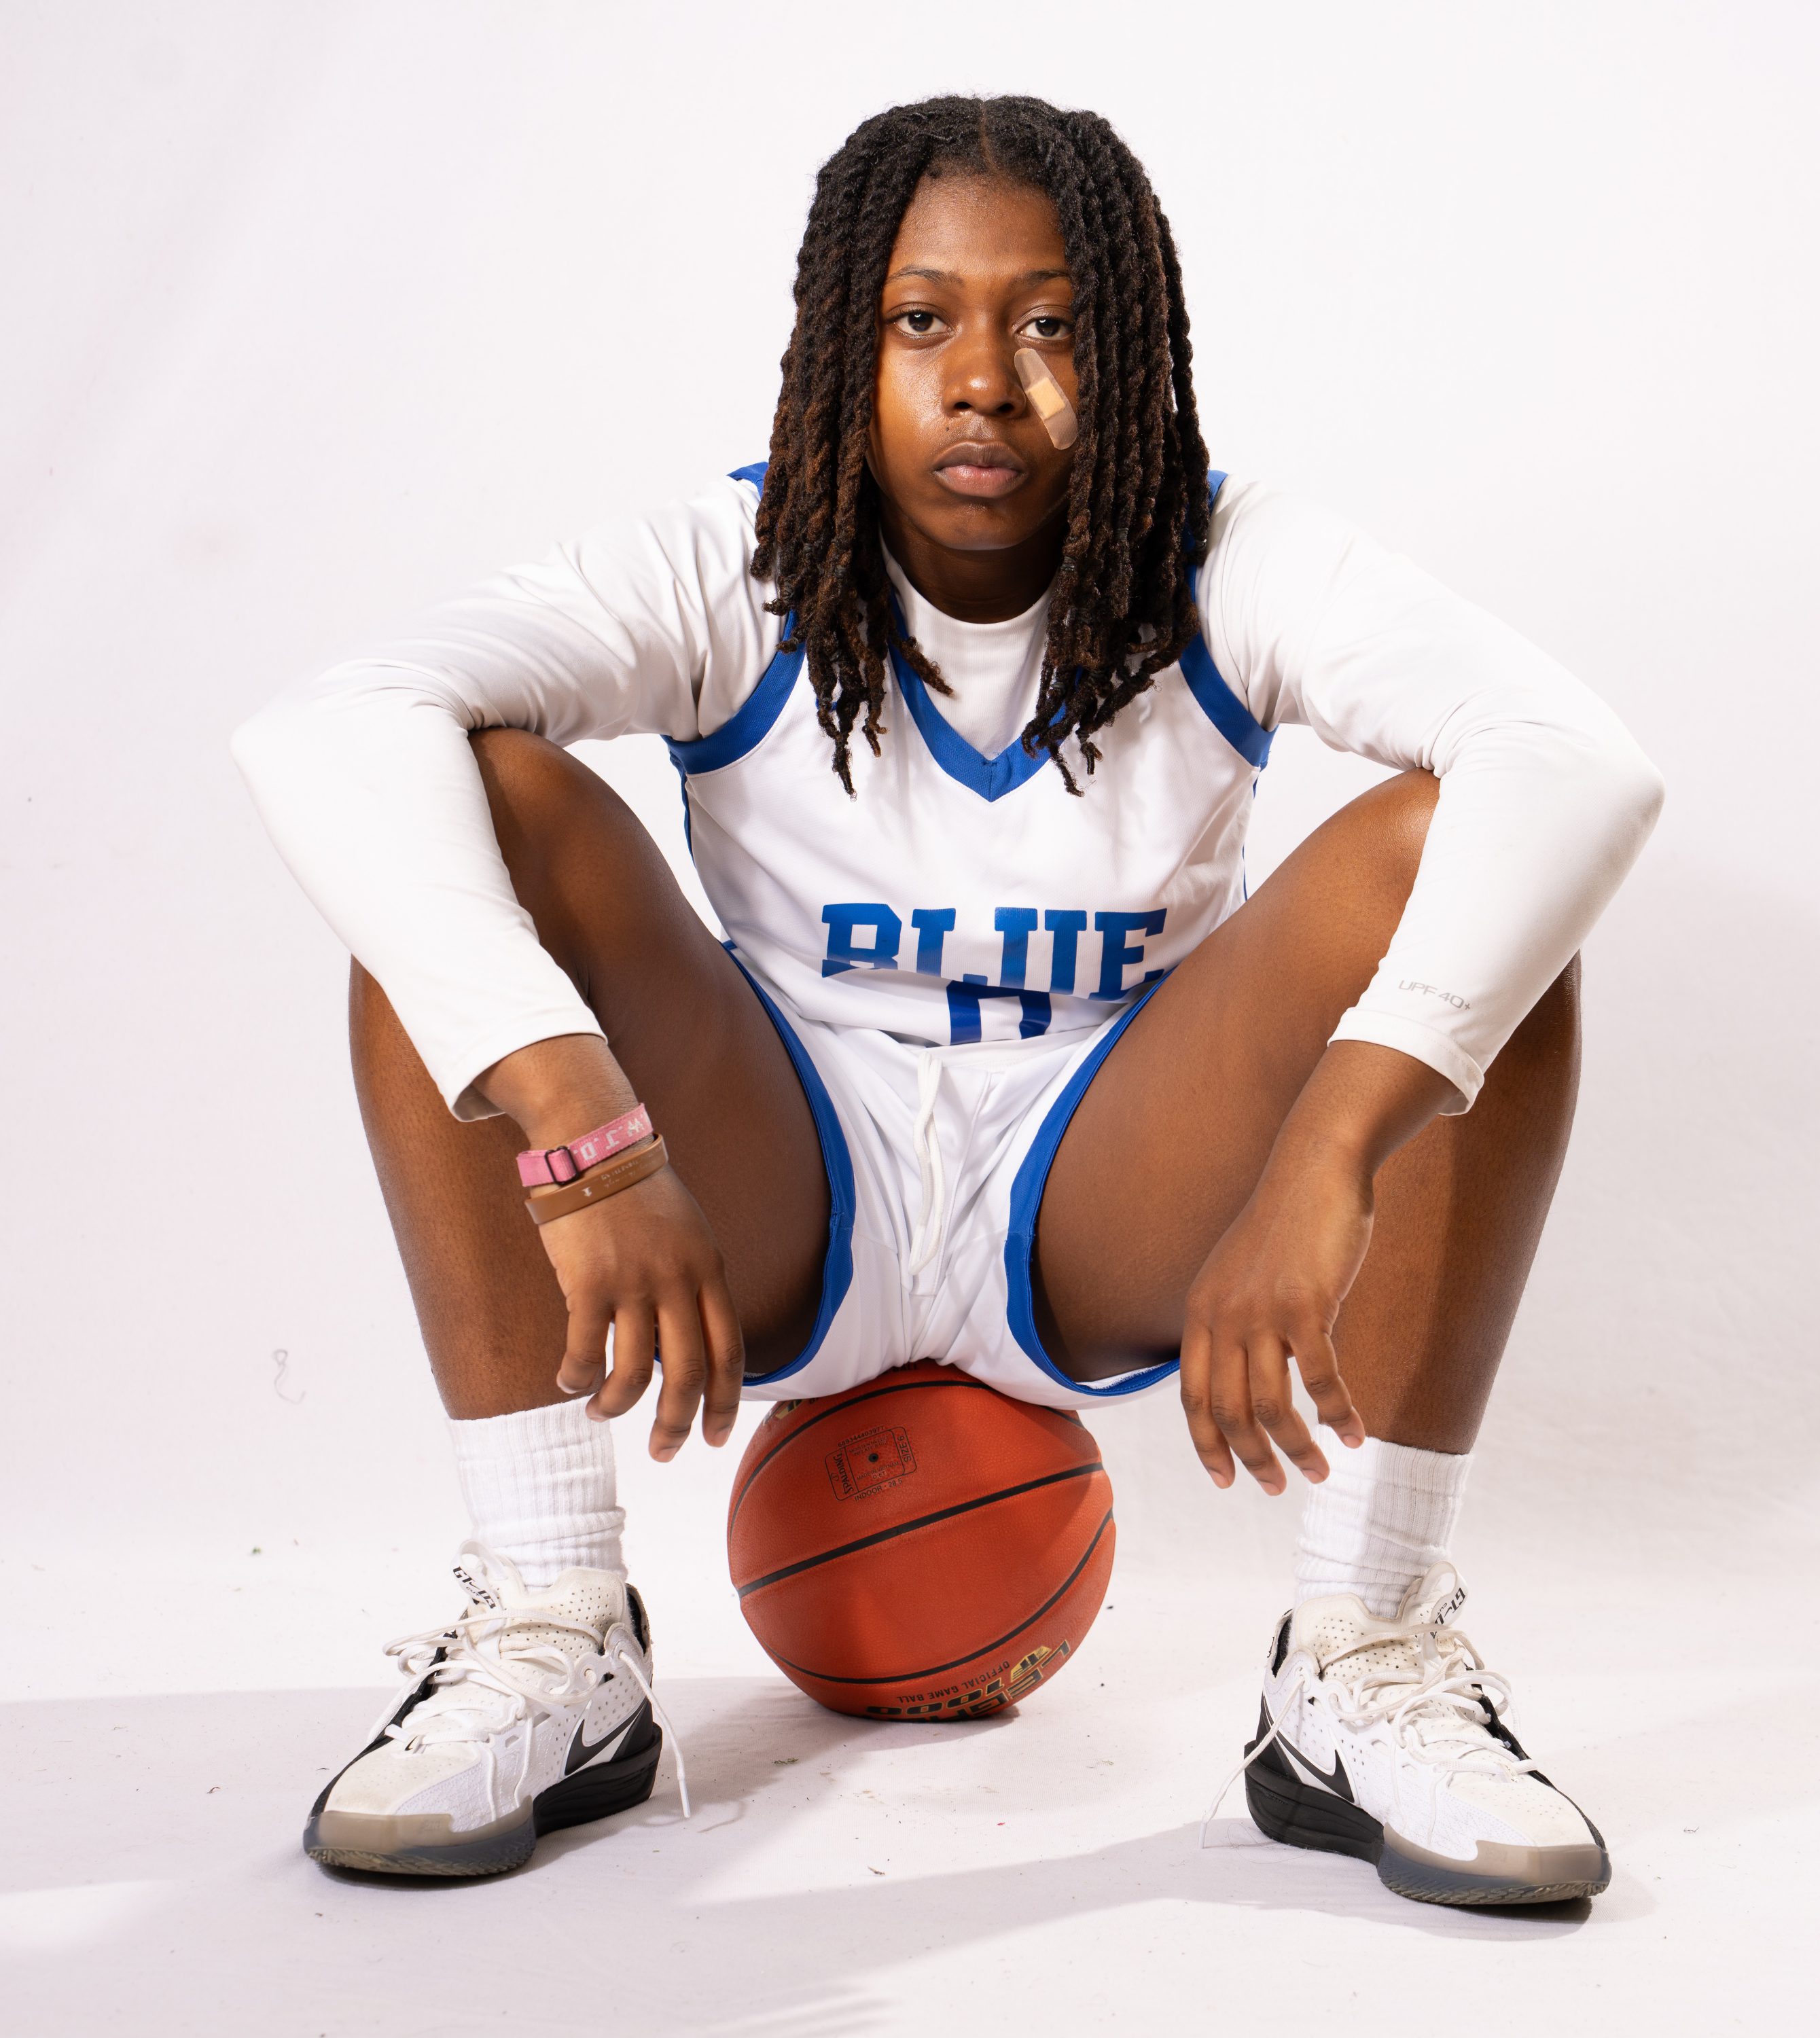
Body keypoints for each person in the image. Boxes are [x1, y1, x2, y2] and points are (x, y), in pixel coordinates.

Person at [233, 93, 1662, 1904]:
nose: (985, 380)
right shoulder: (732, 562)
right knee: (469, 811)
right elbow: (330, 727)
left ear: (1129, 356)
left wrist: (1329, 1155)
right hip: (774, 1190)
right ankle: (550, 1619)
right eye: (923, 321)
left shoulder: (1228, 561)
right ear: (845, 345)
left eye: (1052, 324)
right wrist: (584, 1133)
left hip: (1104, 1197)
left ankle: (1363, 1652)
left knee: (1463, 862)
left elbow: (1576, 763)